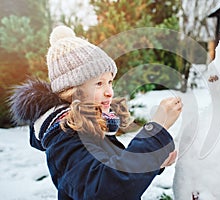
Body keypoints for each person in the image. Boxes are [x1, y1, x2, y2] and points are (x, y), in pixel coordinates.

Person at [9, 25, 182, 200]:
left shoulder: (93, 123)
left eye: (110, 82)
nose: (109, 92)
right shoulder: (64, 137)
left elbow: (117, 166)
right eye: (99, 83)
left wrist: (153, 160)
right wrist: (155, 129)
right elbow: (107, 189)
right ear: (73, 90)